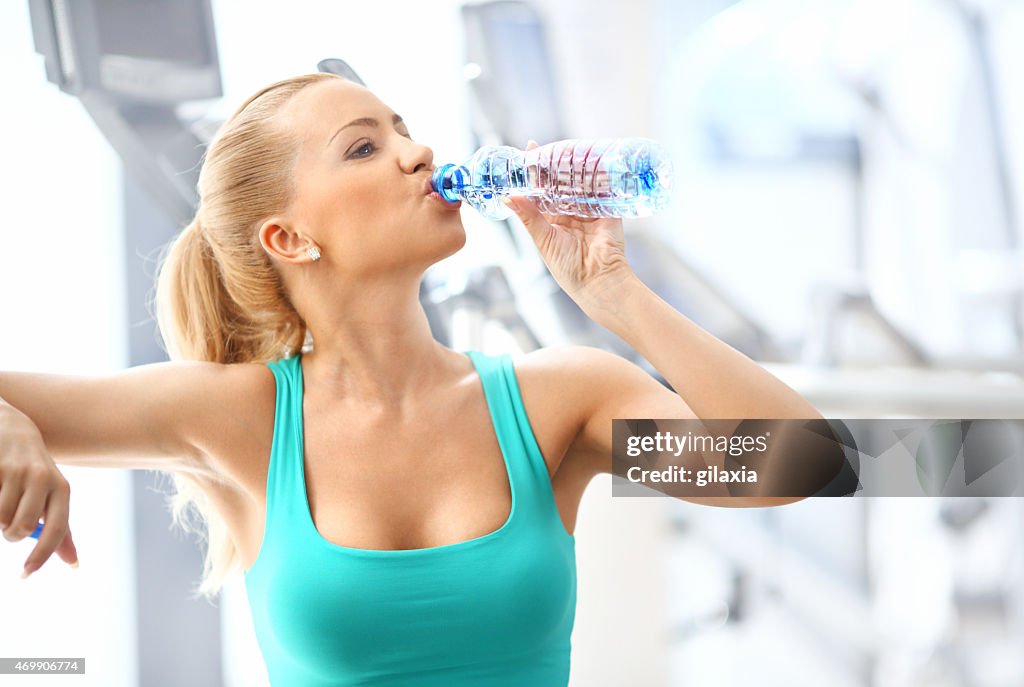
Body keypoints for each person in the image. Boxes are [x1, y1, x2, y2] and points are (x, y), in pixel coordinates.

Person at [0, 72, 822, 686]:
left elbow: (805, 466)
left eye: (402, 129)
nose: (418, 152)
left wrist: (619, 297)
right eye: (365, 147)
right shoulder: (239, 420)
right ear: (290, 239)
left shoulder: (558, 401)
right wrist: (13, 427)